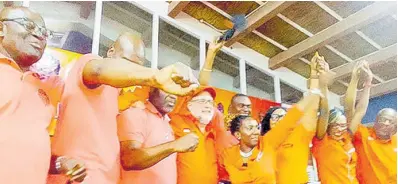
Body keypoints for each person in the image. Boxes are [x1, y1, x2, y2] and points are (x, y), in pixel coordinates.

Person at [50, 31, 199, 184]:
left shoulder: (117, 96)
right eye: (126, 62)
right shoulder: (90, 65)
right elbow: (99, 69)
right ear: (110, 52)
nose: (132, 72)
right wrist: (155, 76)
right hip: (77, 177)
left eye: (137, 66)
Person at [0, 6, 85, 183]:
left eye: (44, 32)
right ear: (2, 28)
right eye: (29, 26)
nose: (40, 35)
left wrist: (61, 163)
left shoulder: (49, 87)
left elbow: (26, 150)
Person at [220, 82, 327, 184]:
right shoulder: (228, 154)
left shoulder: (267, 143)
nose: (255, 132)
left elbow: (289, 120)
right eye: (250, 128)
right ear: (238, 135)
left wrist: (312, 95)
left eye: (256, 127)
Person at [260, 53, 330, 184]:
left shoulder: (299, 135)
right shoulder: (263, 143)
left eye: (283, 116)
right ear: (267, 123)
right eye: (275, 117)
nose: (280, 119)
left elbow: (312, 107)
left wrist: (314, 73)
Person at [117, 88, 199, 184]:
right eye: (168, 90)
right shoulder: (136, 114)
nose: (173, 96)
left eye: (176, 93)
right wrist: (174, 145)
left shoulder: (166, 122)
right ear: (152, 89)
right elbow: (129, 159)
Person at [311, 61, 372, 184]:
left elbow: (358, 111)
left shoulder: (346, 137)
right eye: (336, 125)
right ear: (328, 126)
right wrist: (323, 83)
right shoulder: (322, 141)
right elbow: (325, 110)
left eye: (343, 126)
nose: (340, 129)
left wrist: (359, 80)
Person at [169, 86, 233, 184]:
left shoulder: (214, 132)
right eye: (202, 101)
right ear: (190, 105)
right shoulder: (176, 121)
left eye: (210, 102)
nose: (207, 106)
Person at [346, 63, 397, 184]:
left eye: (390, 121)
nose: (384, 123)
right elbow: (350, 109)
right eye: (382, 119)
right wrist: (362, 82)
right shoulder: (363, 135)